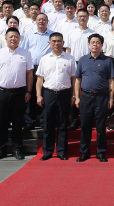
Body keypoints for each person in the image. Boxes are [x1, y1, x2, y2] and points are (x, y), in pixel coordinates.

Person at [0, 27, 34, 161]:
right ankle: (1, 149)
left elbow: (29, 73)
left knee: (18, 121)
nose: (13, 39)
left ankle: (17, 148)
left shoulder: (26, 53)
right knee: (2, 122)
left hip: (19, 92)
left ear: (19, 39)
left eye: (16, 37)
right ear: (6, 39)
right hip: (2, 92)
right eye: (11, 37)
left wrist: (29, 91)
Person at [74, 34, 114, 163]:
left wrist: (111, 98)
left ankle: (101, 152)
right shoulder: (82, 60)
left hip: (102, 97)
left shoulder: (107, 61)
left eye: (98, 42)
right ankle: (84, 152)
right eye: (93, 42)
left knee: (101, 126)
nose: (95, 44)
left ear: (102, 45)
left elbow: (111, 81)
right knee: (85, 125)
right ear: (89, 45)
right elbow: (78, 79)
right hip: (86, 96)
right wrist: (77, 97)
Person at [36, 32, 76, 161]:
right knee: (48, 124)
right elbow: (40, 79)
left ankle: (61, 151)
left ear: (63, 43)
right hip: (49, 94)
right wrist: (38, 95)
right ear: (49, 43)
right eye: (54, 41)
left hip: (64, 94)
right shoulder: (44, 59)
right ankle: (47, 151)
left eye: (59, 41)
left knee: (63, 124)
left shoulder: (70, 59)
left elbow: (74, 79)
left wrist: (74, 95)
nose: (56, 43)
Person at [20, 13, 53, 130]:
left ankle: (44, 121)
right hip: (31, 68)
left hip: (47, 69)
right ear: (36, 21)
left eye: (44, 19)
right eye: (39, 19)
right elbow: (24, 50)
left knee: (45, 94)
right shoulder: (29, 34)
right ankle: (30, 121)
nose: (41, 21)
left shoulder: (52, 35)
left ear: (47, 21)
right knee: (30, 93)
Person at [65, 9, 96, 130]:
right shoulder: (71, 33)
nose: (82, 18)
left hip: (89, 64)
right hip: (74, 63)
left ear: (88, 18)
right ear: (76, 17)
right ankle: (74, 119)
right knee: (74, 92)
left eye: (84, 16)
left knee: (89, 92)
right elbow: (68, 50)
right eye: (80, 16)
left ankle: (89, 118)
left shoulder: (93, 33)